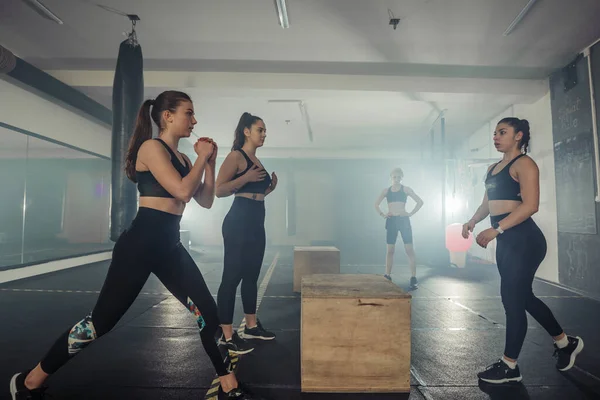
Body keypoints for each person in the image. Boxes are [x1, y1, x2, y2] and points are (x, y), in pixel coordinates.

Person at [9, 91, 257, 399]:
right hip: (139, 246)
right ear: (168, 116)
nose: (194, 121)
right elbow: (181, 191)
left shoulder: (183, 158)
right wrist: (202, 158)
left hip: (169, 246)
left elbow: (204, 201)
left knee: (207, 310)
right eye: (188, 113)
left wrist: (208, 162)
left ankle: (228, 386)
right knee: (100, 323)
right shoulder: (151, 148)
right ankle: (29, 381)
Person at [463, 117, 584, 384]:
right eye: (494, 132)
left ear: (518, 136)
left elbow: (530, 205)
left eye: (502, 132)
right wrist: (473, 221)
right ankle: (566, 343)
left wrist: (498, 229)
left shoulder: (525, 164)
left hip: (524, 239)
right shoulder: (493, 168)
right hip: (507, 239)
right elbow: (488, 203)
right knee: (523, 297)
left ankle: (510, 366)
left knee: (512, 299)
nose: (496, 136)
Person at [215, 112, 278, 355]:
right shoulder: (236, 156)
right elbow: (219, 190)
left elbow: (255, 193)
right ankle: (227, 335)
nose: (264, 134)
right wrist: (247, 177)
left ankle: (251, 326)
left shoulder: (256, 159)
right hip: (238, 221)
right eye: (260, 129)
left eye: (264, 130)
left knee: (252, 275)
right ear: (246, 131)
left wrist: (269, 188)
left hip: (255, 221)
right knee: (231, 277)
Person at [375, 167, 424, 289]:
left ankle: (413, 277)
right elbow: (376, 204)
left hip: (403, 221)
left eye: (398, 177)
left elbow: (420, 202)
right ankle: (387, 275)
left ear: (402, 178)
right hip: (391, 221)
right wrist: (383, 214)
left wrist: (410, 213)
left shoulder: (406, 189)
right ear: (391, 177)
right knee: (390, 250)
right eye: (394, 177)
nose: (396, 179)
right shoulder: (386, 191)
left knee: (409, 250)